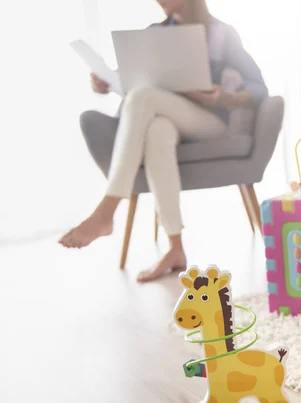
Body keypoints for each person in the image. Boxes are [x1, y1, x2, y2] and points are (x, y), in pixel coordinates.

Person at [59, 0, 268, 282]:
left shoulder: (222, 34)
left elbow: (259, 87)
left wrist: (226, 97)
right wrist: (106, 84)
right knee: (157, 129)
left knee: (144, 97)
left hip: (209, 121)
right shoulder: (155, 32)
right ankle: (175, 248)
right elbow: (133, 82)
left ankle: (107, 210)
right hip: (167, 119)